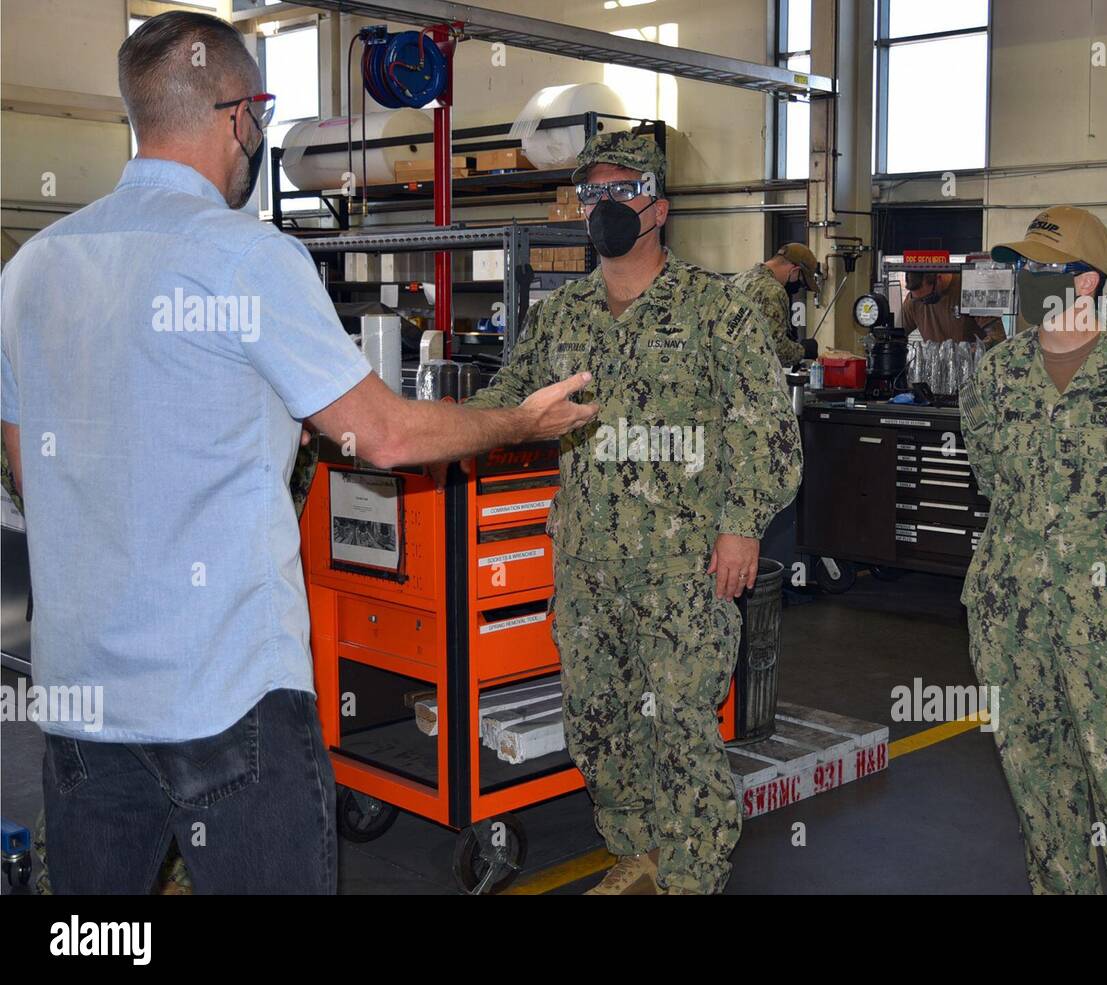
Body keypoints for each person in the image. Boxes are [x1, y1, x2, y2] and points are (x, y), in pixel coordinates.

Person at [0, 11, 594, 895]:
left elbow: (22, 459)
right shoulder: (245, 257)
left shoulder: (32, 269)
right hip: (226, 696)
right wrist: (518, 423)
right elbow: (383, 434)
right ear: (239, 115)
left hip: (84, 704)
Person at [465, 132, 802, 894]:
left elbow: (765, 425)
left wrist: (742, 523)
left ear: (659, 207)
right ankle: (639, 853)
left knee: (680, 726)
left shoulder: (717, 308)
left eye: (621, 190)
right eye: (591, 195)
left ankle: (690, 872)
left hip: (684, 568)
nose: (603, 207)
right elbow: (509, 400)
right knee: (598, 722)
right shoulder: (562, 317)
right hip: (587, 565)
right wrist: (420, 423)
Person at [959, 205, 1107, 894]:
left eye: (1041, 269)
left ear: (1088, 281)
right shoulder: (995, 379)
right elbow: (992, 481)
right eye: (1021, 268)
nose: (1025, 281)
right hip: (1013, 625)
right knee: (1043, 806)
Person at [730, 244, 820, 366]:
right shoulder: (773, 290)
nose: (798, 287)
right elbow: (774, 348)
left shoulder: (737, 279)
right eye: (800, 282)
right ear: (795, 270)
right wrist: (803, 350)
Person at [900, 269, 1005, 345]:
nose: (923, 303)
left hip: (973, 370)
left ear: (939, 278)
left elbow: (998, 339)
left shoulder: (972, 289)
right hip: (937, 370)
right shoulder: (913, 301)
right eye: (919, 299)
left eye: (928, 298)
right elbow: (896, 336)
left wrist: (965, 354)